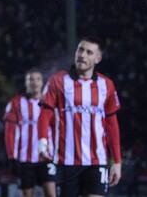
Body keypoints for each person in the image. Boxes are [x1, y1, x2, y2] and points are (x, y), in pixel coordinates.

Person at [38, 37, 121, 197]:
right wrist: (42, 142)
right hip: (65, 161)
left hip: (97, 161)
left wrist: (117, 161)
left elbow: (111, 124)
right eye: (80, 50)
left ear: (98, 59)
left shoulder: (107, 85)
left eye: (89, 52)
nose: (82, 55)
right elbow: (45, 114)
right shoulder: (57, 81)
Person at [4, 69, 56, 197]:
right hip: (24, 159)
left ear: (42, 82)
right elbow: (9, 133)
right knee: (27, 194)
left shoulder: (50, 103)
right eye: (30, 79)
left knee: (51, 193)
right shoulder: (16, 103)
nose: (34, 83)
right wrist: (11, 157)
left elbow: (56, 129)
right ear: (26, 83)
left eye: (37, 79)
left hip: (46, 158)